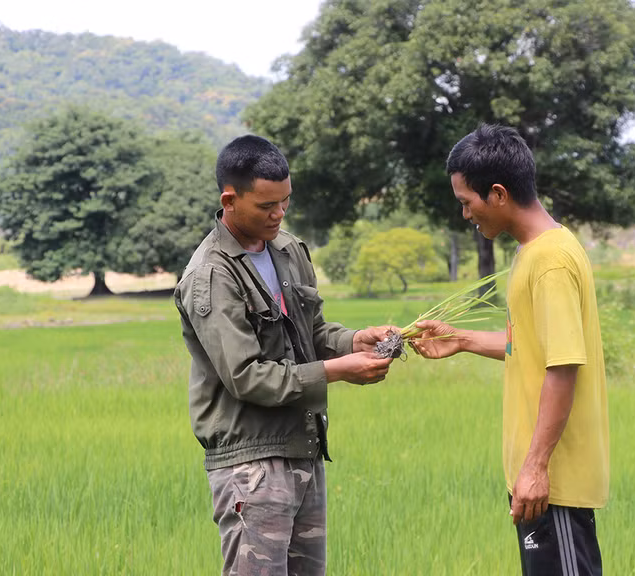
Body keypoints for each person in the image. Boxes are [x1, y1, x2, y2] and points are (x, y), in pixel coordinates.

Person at [174, 134, 395, 575]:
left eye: (285, 201)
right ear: (229, 200)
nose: (279, 214)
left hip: (304, 448)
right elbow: (247, 376)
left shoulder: (288, 250)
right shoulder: (211, 275)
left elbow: (311, 333)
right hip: (251, 465)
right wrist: (337, 370)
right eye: (266, 206)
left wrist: (356, 341)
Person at [411, 124, 609, 575]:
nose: (465, 213)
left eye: (467, 202)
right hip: (541, 479)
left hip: (553, 481)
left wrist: (536, 467)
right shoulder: (534, 251)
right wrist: (461, 339)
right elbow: (529, 347)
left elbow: (563, 367)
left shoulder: (550, 262)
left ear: (498, 193)